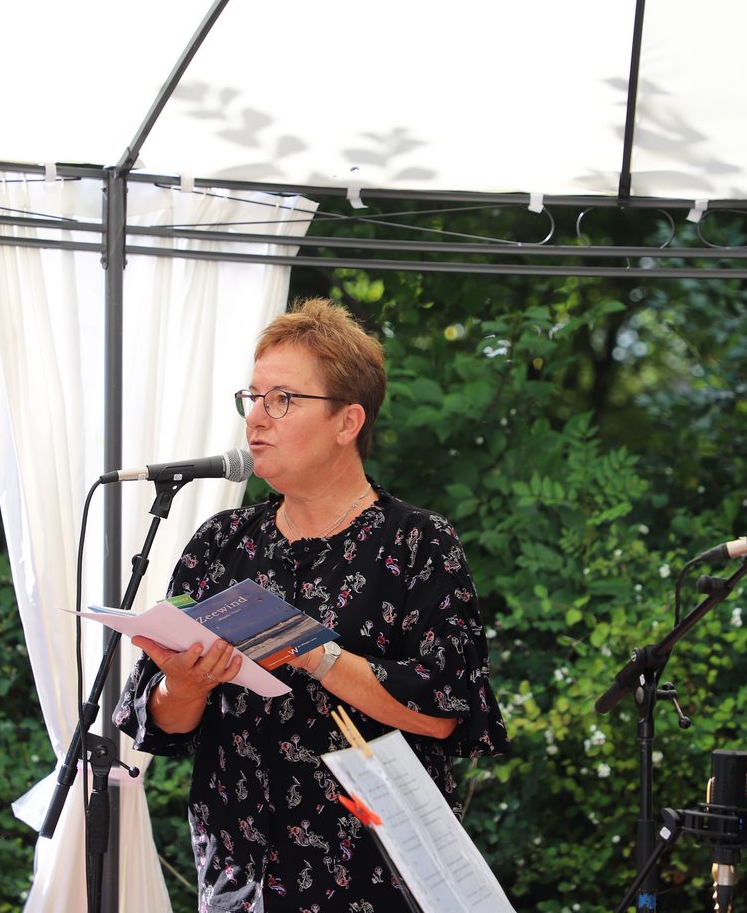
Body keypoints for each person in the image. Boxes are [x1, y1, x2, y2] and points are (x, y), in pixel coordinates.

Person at [115, 298, 508, 912]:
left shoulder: (418, 543)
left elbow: (442, 713)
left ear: (347, 422)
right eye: (252, 397)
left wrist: (314, 653)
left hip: (368, 881)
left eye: (282, 399)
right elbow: (158, 720)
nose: (255, 418)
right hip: (238, 878)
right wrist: (183, 686)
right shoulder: (221, 541)